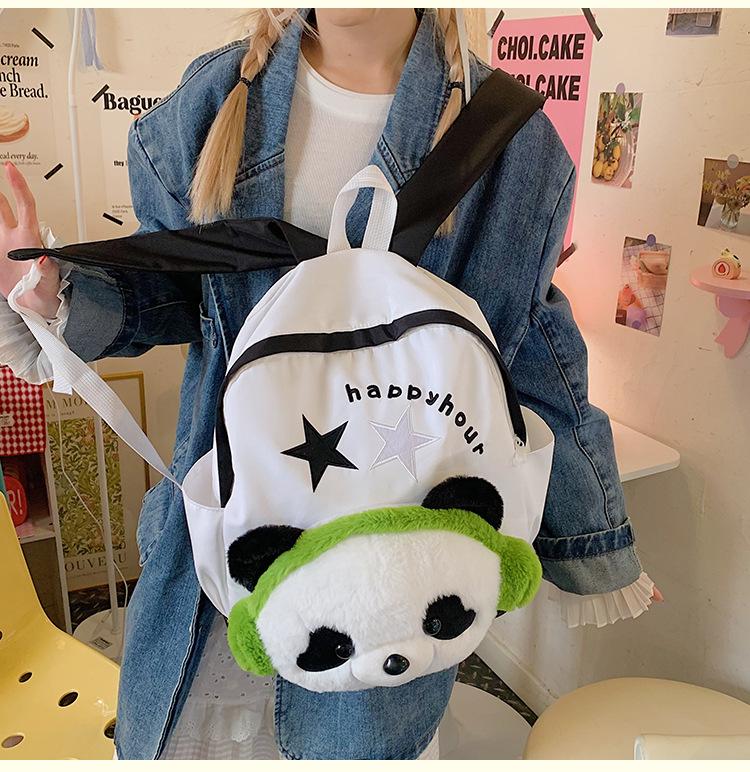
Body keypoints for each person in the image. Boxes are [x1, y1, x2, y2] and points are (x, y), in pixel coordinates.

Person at [0, 8, 661, 760]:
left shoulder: (512, 141)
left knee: (356, 733)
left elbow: (528, 345)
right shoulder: (211, 103)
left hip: (394, 562)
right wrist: (50, 288)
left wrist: (590, 537)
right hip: (237, 535)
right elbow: (180, 299)